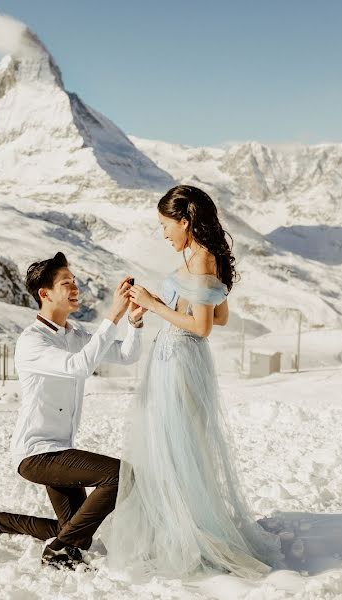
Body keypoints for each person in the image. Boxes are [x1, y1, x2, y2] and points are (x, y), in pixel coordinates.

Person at [108, 185, 282, 579]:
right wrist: (164, 304)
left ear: (185, 222)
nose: (164, 234)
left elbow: (203, 328)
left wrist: (154, 306)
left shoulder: (202, 260)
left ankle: (184, 534)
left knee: (174, 446)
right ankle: (177, 527)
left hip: (181, 360)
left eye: (166, 225)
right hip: (178, 358)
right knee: (175, 445)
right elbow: (219, 317)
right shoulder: (205, 258)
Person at [0, 251, 146, 569]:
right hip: (36, 453)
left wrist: (134, 322)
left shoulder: (73, 336)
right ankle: (59, 551)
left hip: (59, 449)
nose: (75, 288)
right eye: (66, 283)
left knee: (79, 532)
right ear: (45, 293)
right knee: (121, 475)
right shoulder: (32, 341)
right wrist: (112, 316)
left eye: (75, 282)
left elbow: (127, 355)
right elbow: (79, 367)